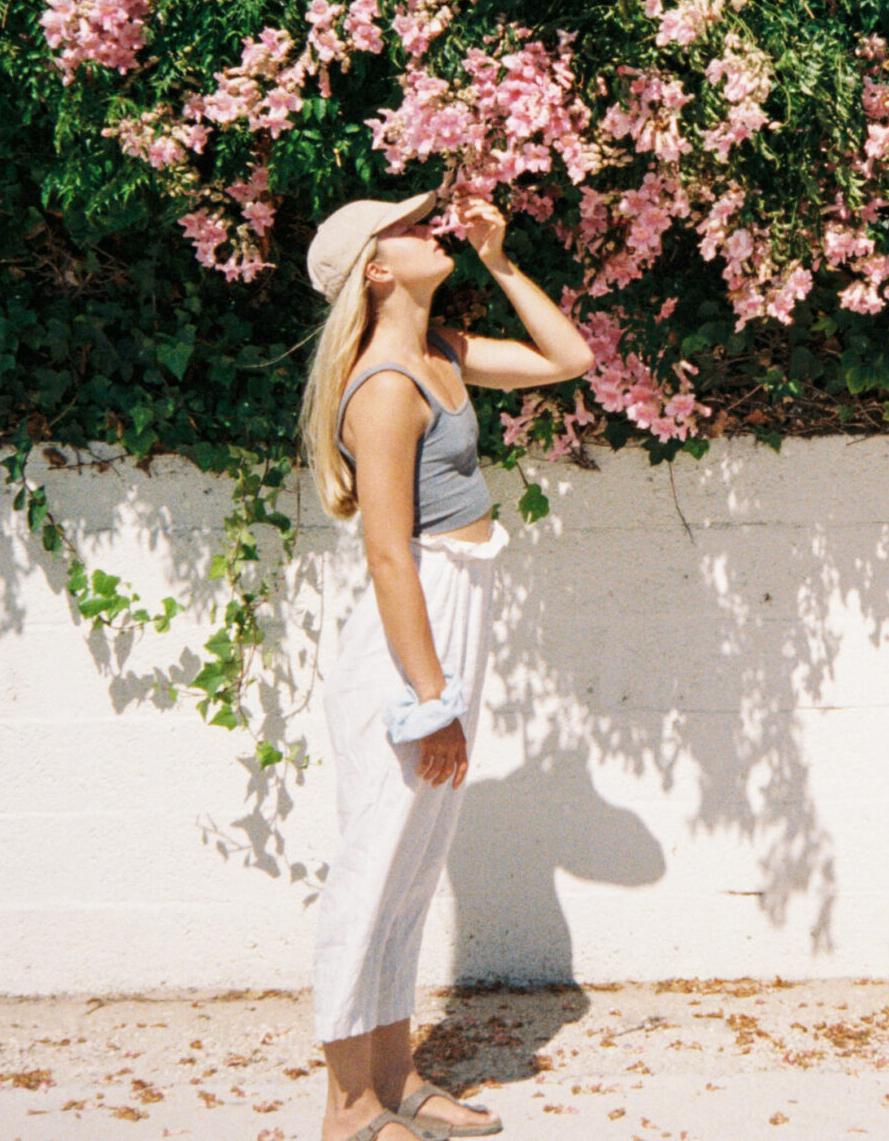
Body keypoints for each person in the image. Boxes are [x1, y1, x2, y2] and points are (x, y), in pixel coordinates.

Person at [296, 184, 593, 1141]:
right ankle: (349, 1109)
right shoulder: (386, 389)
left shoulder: (443, 355)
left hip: (454, 608)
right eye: (411, 227)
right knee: (374, 867)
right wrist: (432, 697)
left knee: (414, 872)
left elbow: (569, 359)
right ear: (376, 270)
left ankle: (396, 1079)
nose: (436, 230)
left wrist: (503, 263)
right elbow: (388, 554)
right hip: (409, 637)